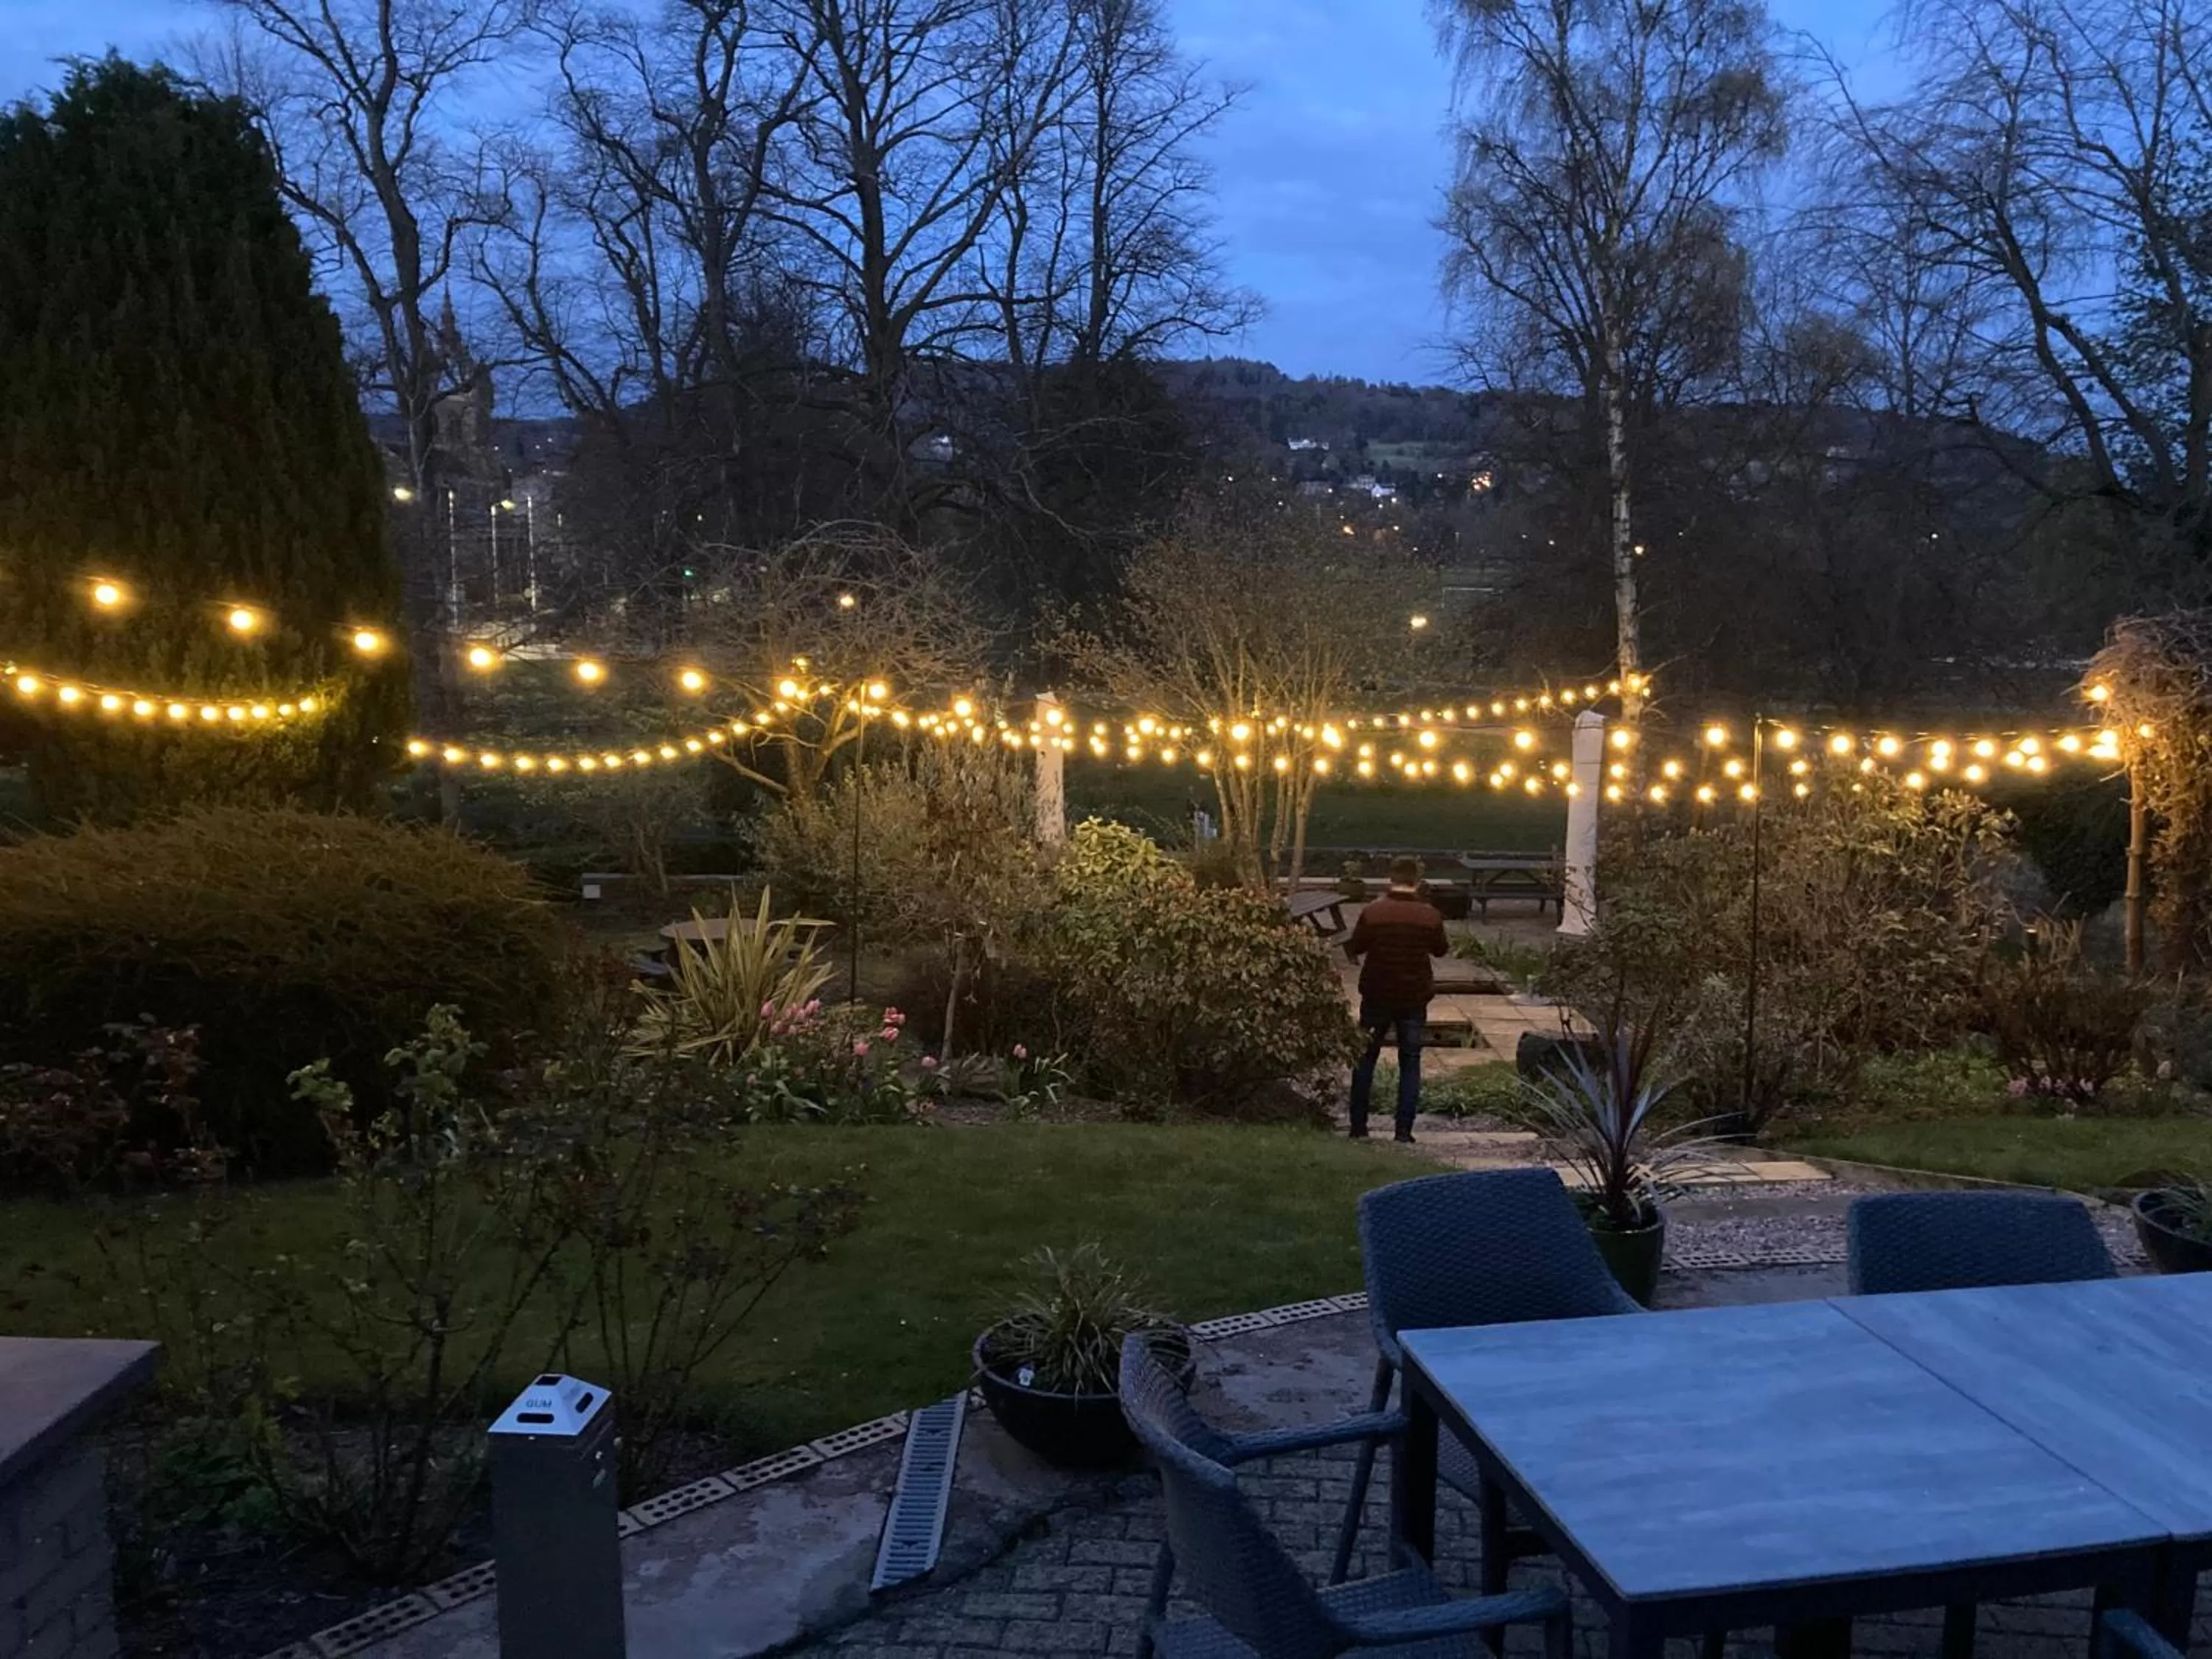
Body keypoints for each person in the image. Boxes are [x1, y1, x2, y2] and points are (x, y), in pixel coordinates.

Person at [1342, 856, 1450, 1143]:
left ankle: (1358, 1127)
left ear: (1391, 879)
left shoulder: (1374, 912)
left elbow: (1357, 946)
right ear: (1417, 881)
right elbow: (1441, 950)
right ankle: (1403, 1131)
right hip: (1414, 997)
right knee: (1410, 1063)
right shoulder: (1430, 915)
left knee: (1365, 1059)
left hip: (1377, 994)